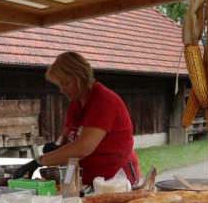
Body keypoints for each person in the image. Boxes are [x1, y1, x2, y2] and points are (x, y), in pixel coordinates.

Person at [14, 52, 140, 186]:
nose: (62, 90)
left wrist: (39, 161)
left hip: (115, 182)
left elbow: (83, 147)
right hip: (88, 181)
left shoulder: (104, 101)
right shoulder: (76, 103)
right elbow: (66, 133)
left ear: (79, 77)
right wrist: (57, 145)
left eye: (65, 83)